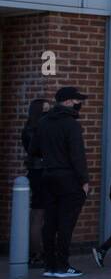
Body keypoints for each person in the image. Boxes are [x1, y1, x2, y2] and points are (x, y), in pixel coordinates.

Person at [33, 87, 91, 278]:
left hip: (47, 175)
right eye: (76, 101)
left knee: (49, 222)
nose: (79, 104)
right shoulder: (71, 125)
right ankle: (63, 266)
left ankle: (49, 265)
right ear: (67, 102)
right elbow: (77, 155)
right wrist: (84, 180)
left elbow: (34, 149)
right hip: (69, 178)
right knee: (66, 222)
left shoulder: (42, 122)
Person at [21, 97, 51, 268]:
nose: (48, 112)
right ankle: (36, 253)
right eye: (45, 109)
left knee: (38, 212)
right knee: (39, 213)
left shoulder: (28, 129)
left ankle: (36, 252)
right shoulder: (37, 130)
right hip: (41, 172)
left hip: (36, 172)